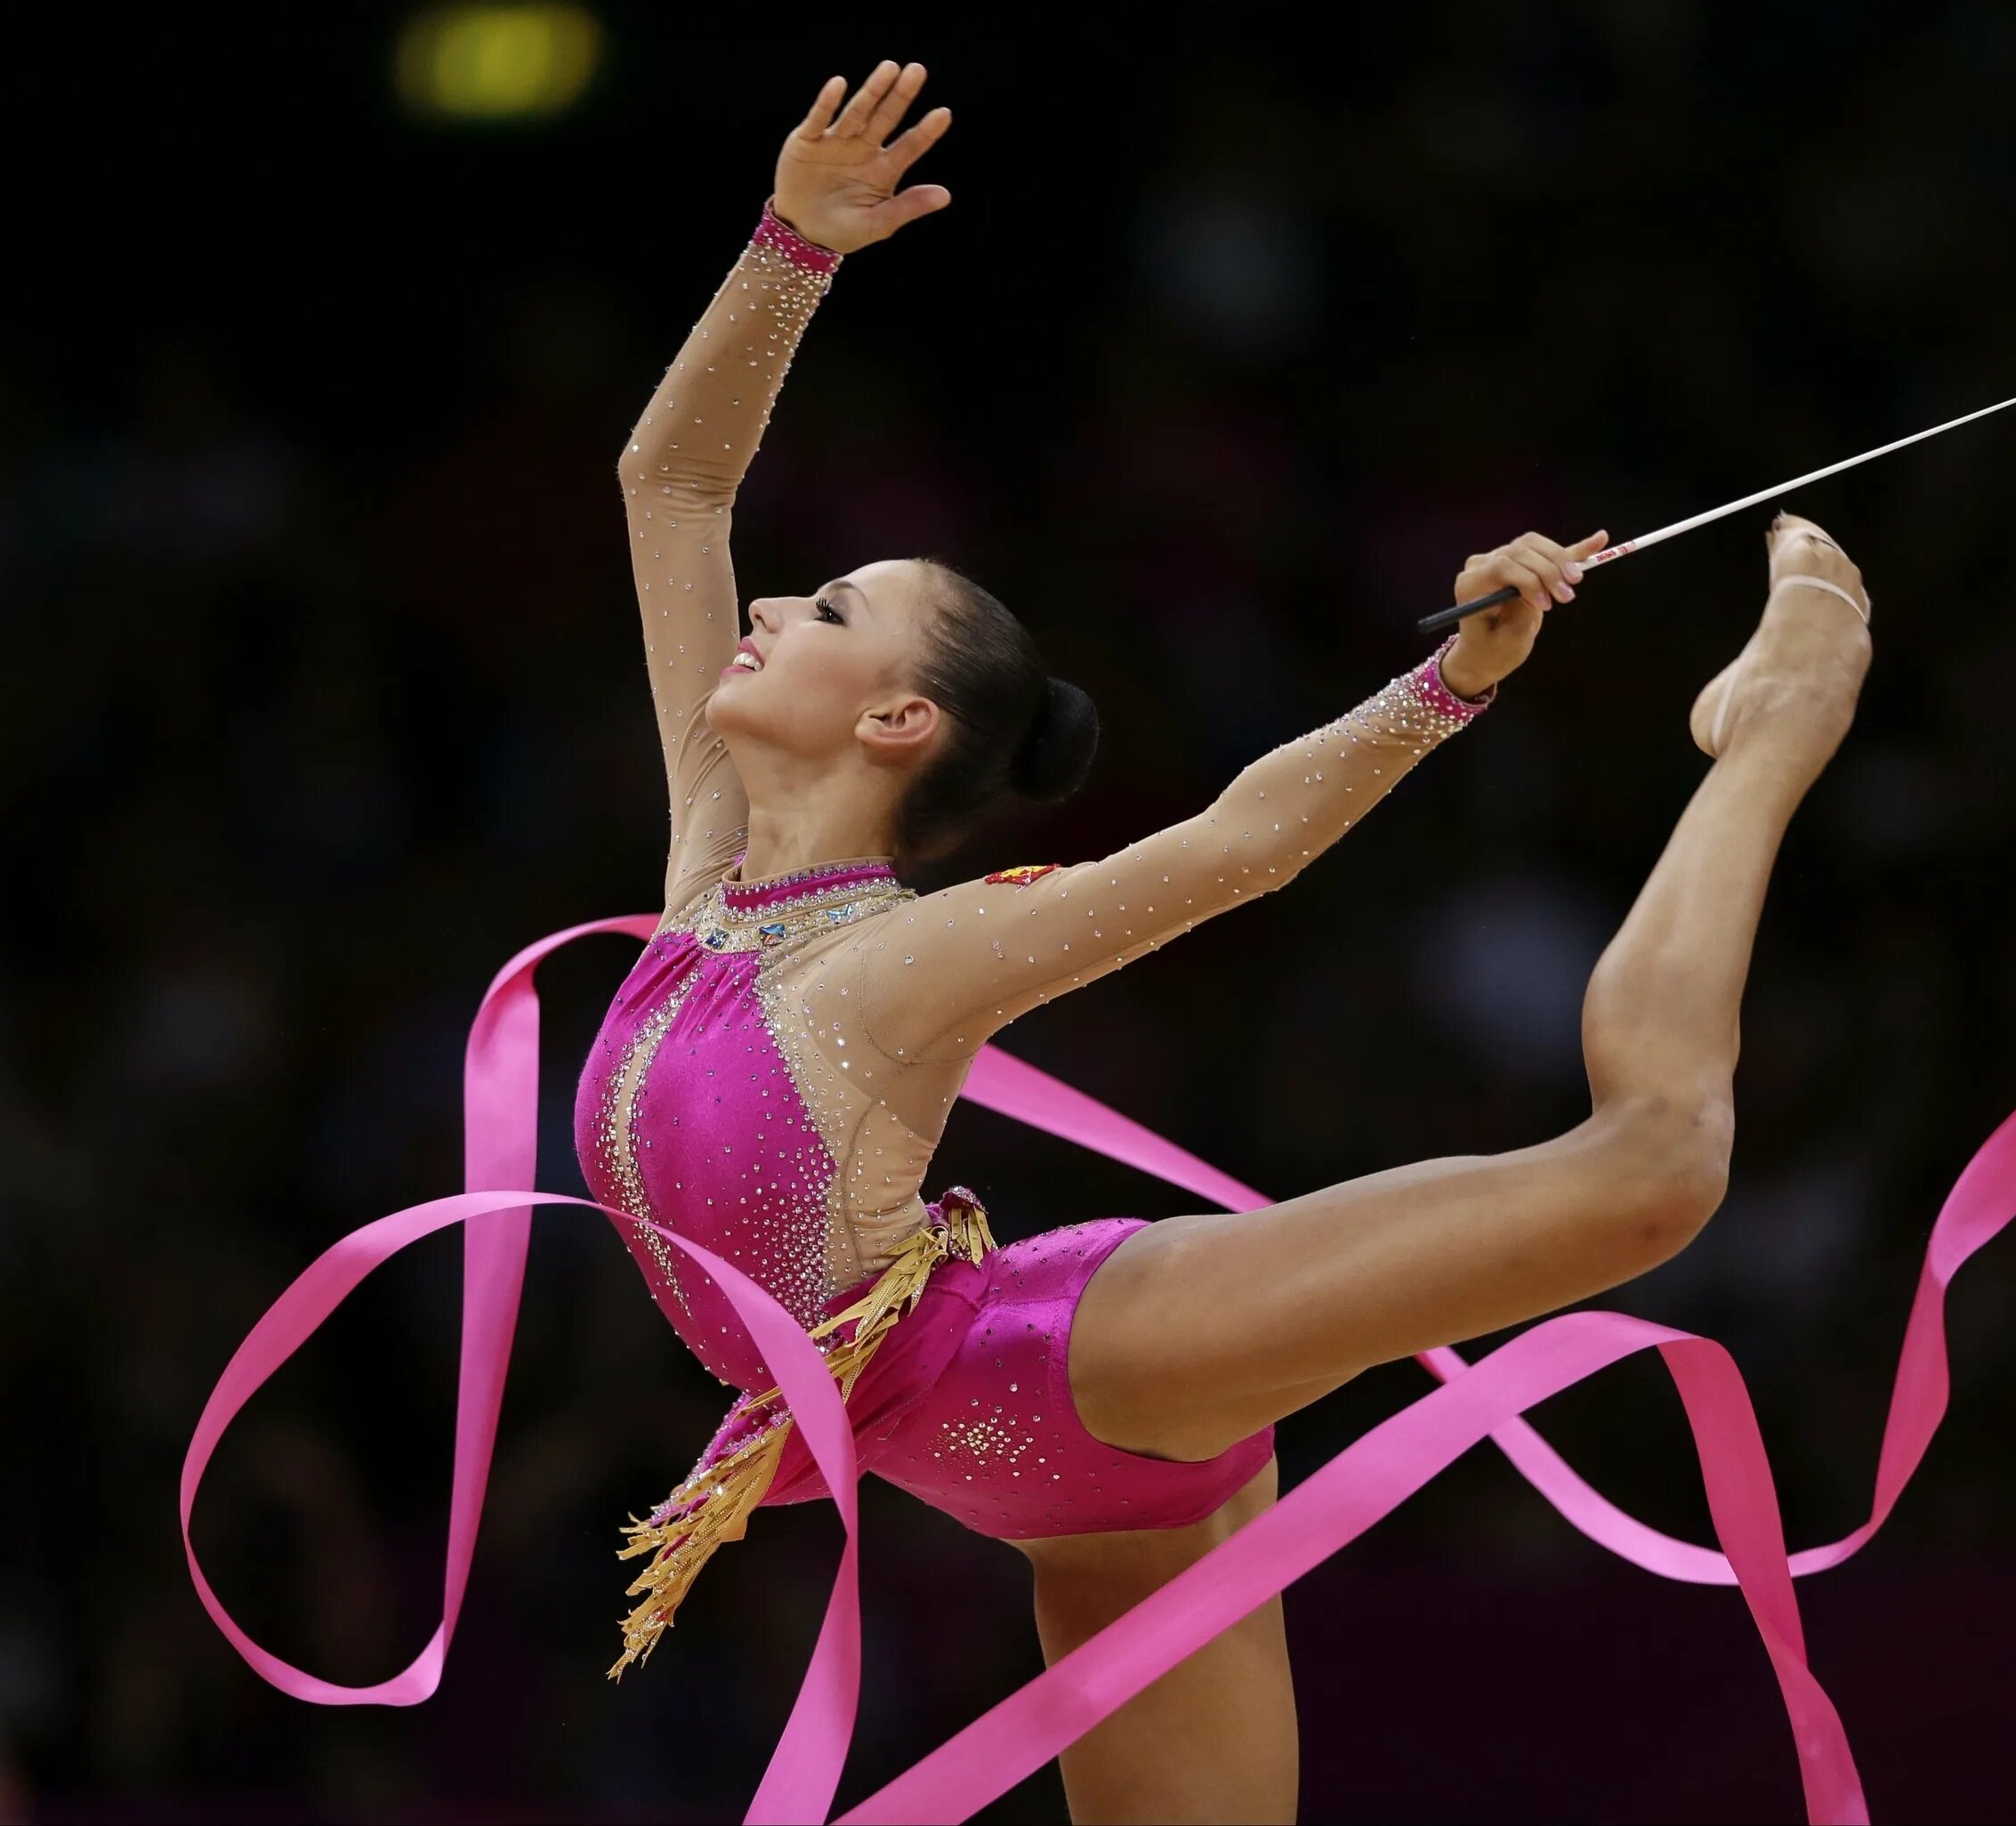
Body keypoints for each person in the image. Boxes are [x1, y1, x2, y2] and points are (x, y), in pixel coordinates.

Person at [592, 60, 1873, 1824]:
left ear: (896, 722)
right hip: (1013, 1478)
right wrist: (788, 250)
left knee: (1654, 1169)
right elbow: (671, 485)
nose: (766, 605)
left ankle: (1778, 725)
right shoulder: (708, 879)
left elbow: (1241, 846)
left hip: (1071, 1362)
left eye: (826, 609)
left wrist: (1452, 681)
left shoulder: (896, 966)